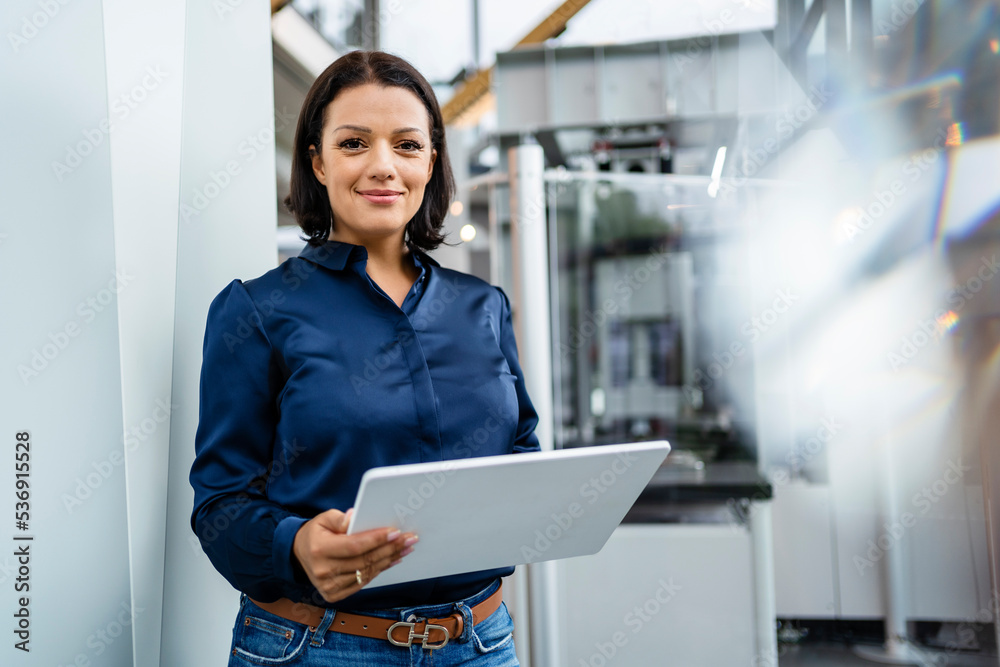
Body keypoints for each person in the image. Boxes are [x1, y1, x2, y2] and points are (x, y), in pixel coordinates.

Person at [189, 50, 540, 666]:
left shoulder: (483, 307)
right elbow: (220, 505)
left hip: (479, 644)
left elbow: (520, 457)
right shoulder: (257, 311)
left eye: (407, 145)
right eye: (354, 144)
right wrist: (294, 544)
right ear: (317, 162)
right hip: (315, 648)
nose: (383, 166)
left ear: (432, 162)